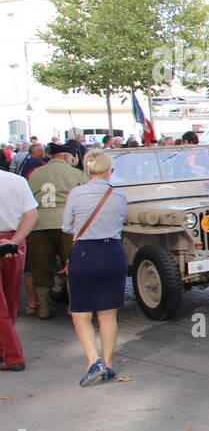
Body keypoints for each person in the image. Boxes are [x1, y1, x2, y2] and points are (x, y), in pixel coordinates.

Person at [61, 150, 129, 387]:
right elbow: (121, 221)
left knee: (81, 313)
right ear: (110, 169)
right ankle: (108, 364)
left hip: (84, 254)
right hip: (112, 252)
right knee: (108, 313)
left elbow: (65, 227)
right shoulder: (119, 195)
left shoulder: (76, 193)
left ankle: (93, 360)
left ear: (87, 170)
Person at [26, 143, 87, 318]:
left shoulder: (35, 173)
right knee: (72, 265)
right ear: (68, 157)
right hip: (67, 224)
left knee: (41, 266)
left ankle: (43, 308)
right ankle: (74, 307)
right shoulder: (76, 173)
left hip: (39, 224)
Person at [0, 166, 40, 371]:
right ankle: (5, 350)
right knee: (10, 298)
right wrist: (14, 241)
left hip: (11, 240)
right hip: (16, 241)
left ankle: (13, 355)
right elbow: (32, 215)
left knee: (2, 306)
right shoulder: (17, 181)